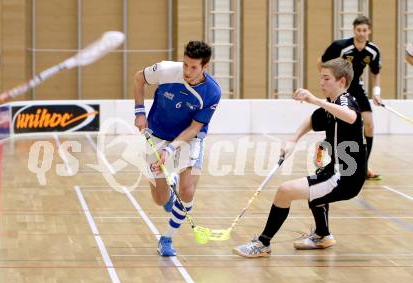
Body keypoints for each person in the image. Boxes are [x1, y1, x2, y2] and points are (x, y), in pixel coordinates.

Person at [233, 58, 366, 258]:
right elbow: (313, 120)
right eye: (320, 78)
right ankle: (323, 235)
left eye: (326, 78)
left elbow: (351, 116)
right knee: (315, 194)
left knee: (285, 191)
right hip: (336, 170)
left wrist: (315, 100)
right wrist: (293, 141)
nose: (321, 83)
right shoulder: (331, 105)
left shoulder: (344, 100)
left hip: (345, 177)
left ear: (342, 81)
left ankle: (263, 243)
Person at [133, 41, 221, 256]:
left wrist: (170, 150)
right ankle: (168, 193)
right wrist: (139, 112)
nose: (187, 72)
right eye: (185, 65)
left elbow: (195, 128)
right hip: (157, 135)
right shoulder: (165, 70)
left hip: (189, 139)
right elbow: (139, 78)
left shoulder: (212, 92)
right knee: (160, 199)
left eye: (193, 67)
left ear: (204, 67)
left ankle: (166, 238)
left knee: (187, 190)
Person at [319, 15, 382, 180]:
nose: (361, 33)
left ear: (369, 31)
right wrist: (326, 83)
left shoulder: (373, 51)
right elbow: (322, 62)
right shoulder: (341, 47)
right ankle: (328, 161)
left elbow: (375, 73)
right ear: (354, 30)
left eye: (364, 30)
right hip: (339, 89)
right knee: (333, 127)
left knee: (369, 125)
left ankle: (364, 166)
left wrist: (376, 93)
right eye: (358, 30)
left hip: (357, 88)